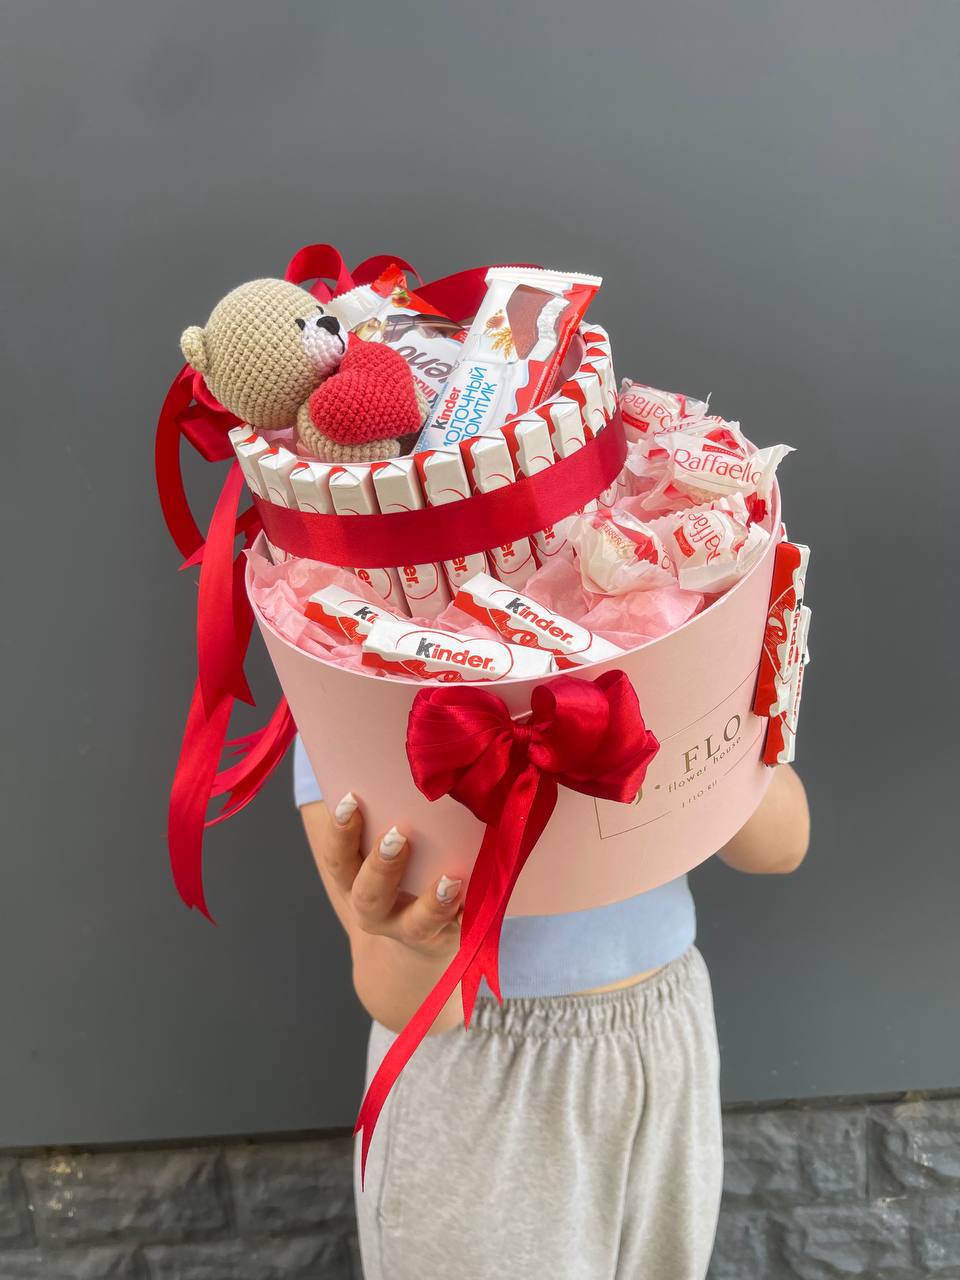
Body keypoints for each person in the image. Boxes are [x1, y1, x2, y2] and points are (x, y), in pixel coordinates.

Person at [295, 736, 809, 1280]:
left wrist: (693, 719)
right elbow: (401, 1001)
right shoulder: (349, 697)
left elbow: (783, 845)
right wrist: (426, 945)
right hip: (476, 1075)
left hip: (667, 1041)